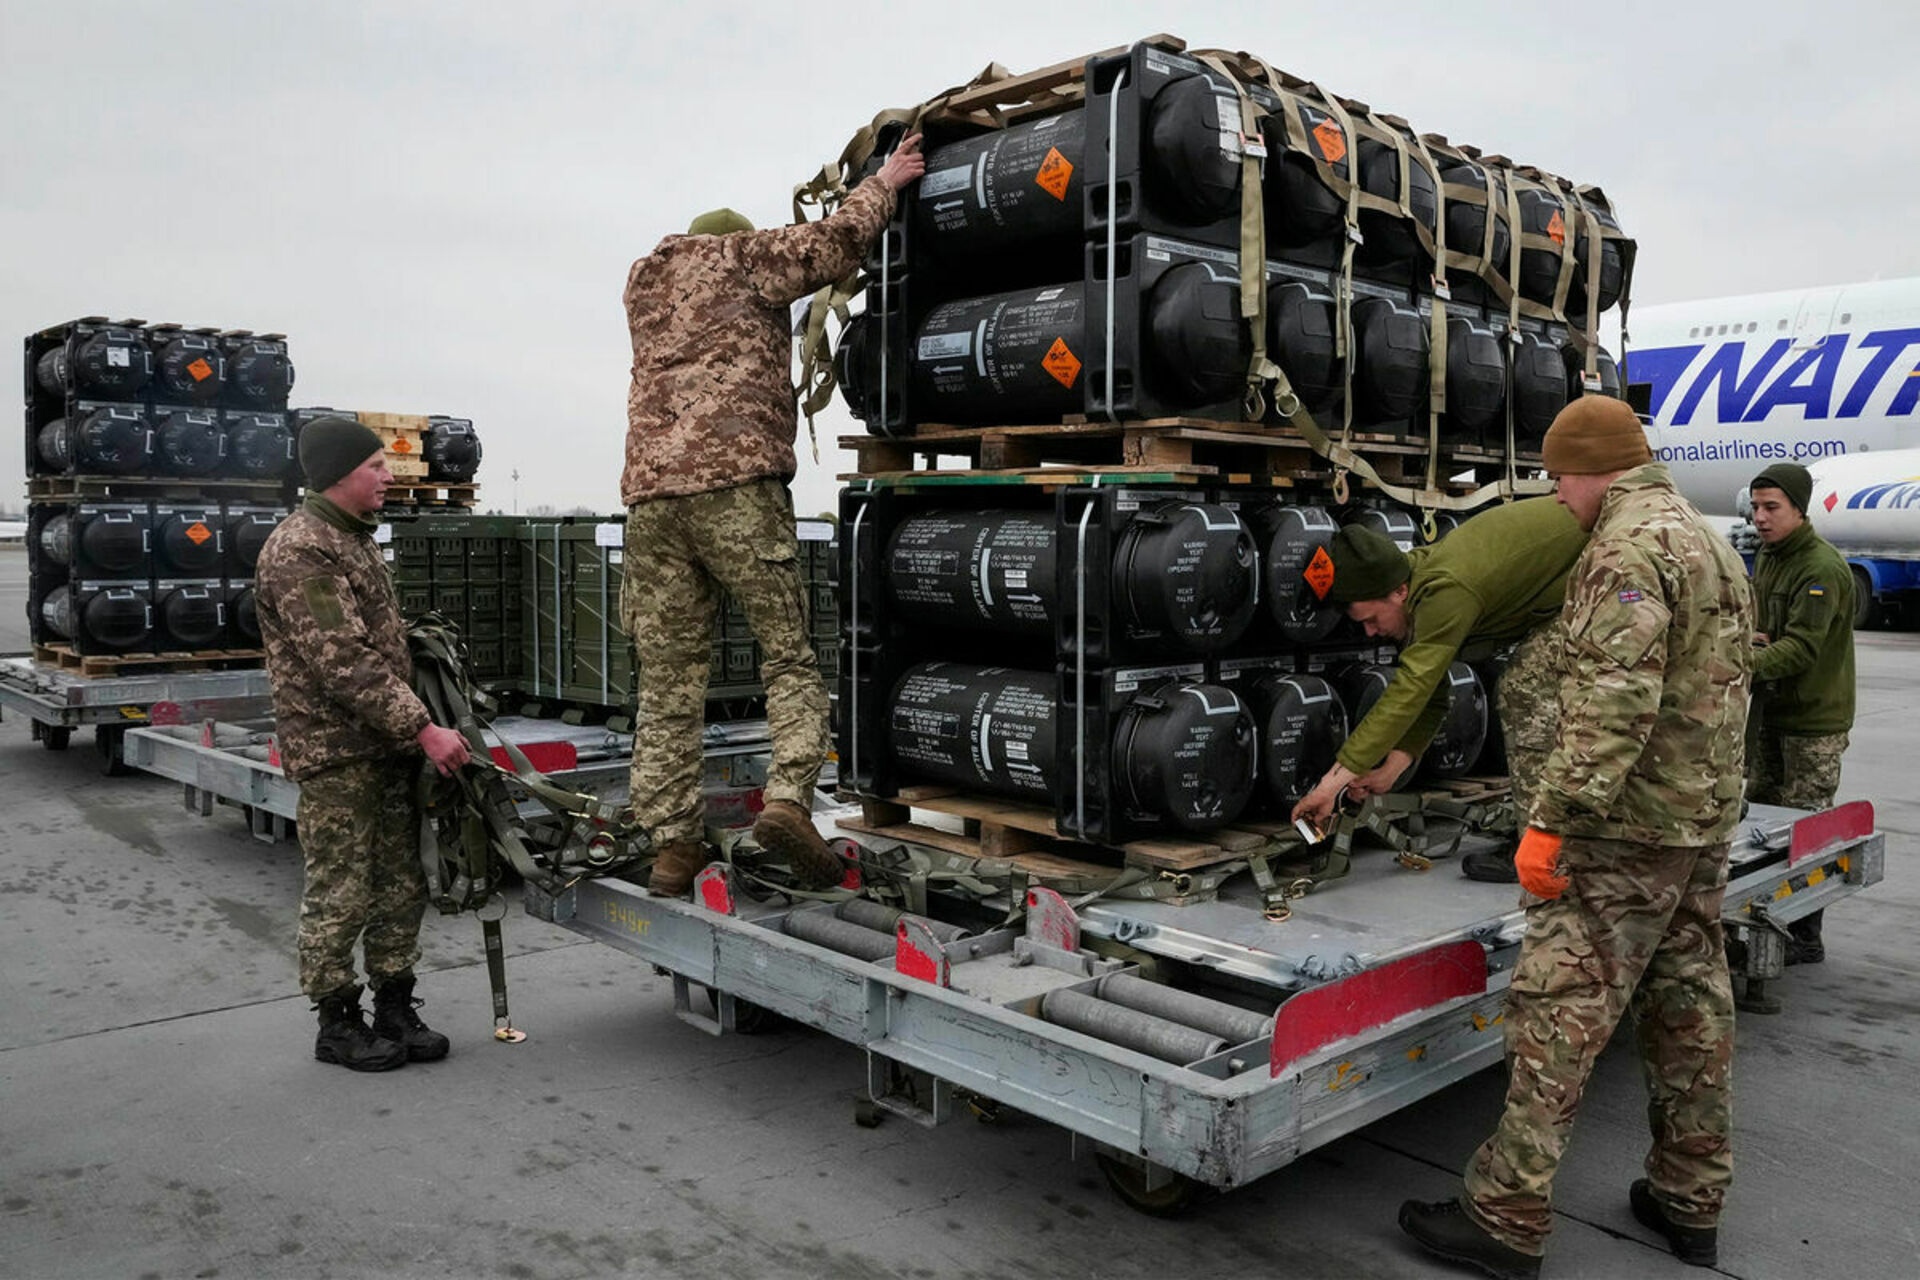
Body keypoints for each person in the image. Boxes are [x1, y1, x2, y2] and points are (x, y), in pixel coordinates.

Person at [1398, 395, 1754, 1278]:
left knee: (1559, 1015)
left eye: (1559, 480)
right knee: (1690, 1005)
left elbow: (1611, 706)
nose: (1557, 498)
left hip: (1623, 831)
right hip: (1698, 820)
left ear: (1596, 468)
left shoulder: (1625, 547)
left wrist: (1551, 820)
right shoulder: (1709, 538)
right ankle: (1690, 1196)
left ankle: (1505, 1215)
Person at [618, 135, 925, 898]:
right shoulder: (742, 259)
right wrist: (883, 183)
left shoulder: (643, 285)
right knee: (787, 655)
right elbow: (832, 245)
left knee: (667, 685)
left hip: (652, 502)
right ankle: (788, 801)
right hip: (736, 490)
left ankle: (673, 846)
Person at [255, 416, 473, 1072]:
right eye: (377, 466)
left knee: (400, 882)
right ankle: (337, 1019)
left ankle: (396, 1004)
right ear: (339, 473)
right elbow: (342, 659)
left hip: (384, 745)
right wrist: (423, 727)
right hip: (338, 749)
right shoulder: (303, 549)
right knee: (342, 886)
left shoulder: (353, 541)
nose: (388, 476)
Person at [1290, 499, 1587, 881]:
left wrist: (1331, 784)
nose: (1370, 632)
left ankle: (1545, 851)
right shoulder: (1416, 588)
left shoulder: (1445, 591)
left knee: (1523, 689)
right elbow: (1431, 692)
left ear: (1397, 593)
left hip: (1611, 568)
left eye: (1372, 619)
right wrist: (1389, 771)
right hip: (1574, 583)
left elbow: (1410, 691)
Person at [1745, 461, 1855, 965]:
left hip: (1812, 722)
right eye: (1756, 507)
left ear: (1799, 510)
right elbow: (1769, 632)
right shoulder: (1770, 557)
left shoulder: (1821, 567)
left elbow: (1801, 649)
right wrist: (1756, 641)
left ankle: (1805, 934)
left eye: (1772, 508)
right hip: (1772, 713)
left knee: (1804, 832)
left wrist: (1740, 661)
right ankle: (1765, 920)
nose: (1760, 518)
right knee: (1762, 826)